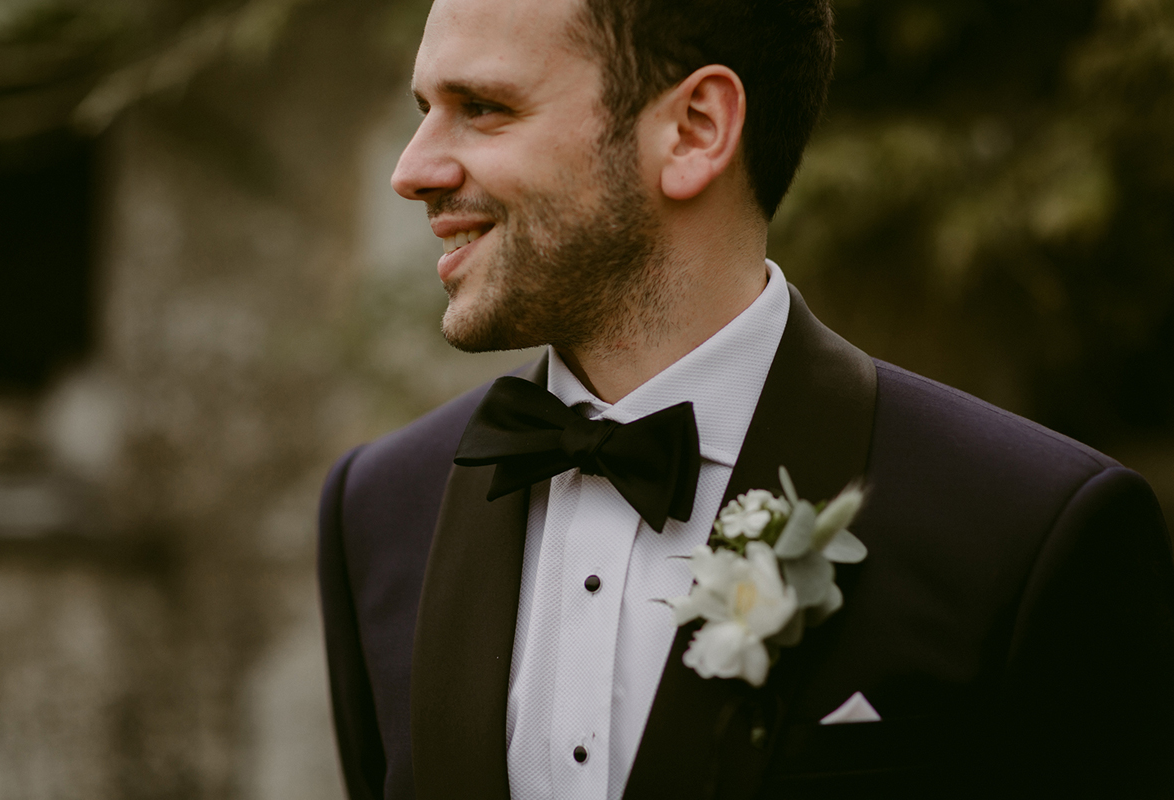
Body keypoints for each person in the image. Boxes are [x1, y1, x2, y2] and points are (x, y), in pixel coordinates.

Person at [317, 0, 1174, 797]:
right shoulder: (377, 512)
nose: (413, 169)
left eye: (482, 107)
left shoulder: (1032, 537)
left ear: (694, 131)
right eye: (423, 107)